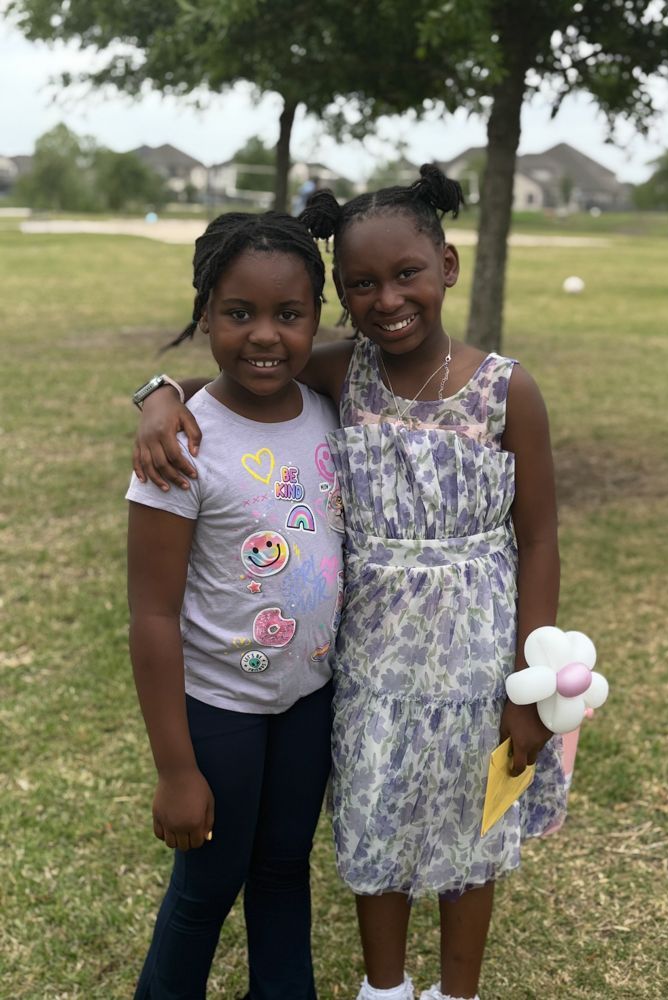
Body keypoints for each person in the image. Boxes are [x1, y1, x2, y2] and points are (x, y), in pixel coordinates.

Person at [132, 166, 568, 1000]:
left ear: (447, 265)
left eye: (406, 274)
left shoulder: (507, 389)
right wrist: (155, 395)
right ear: (341, 294)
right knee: (375, 820)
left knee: (470, 833)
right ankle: (384, 989)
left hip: (478, 668)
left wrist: (533, 683)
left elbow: (541, 538)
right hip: (368, 670)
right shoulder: (344, 374)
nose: (387, 299)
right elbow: (230, 381)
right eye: (361, 284)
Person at [126, 210, 344, 999]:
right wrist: (176, 769)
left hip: (309, 700)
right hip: (218, 709)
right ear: (205, 314)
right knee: (207, 887)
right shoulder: (182, 446)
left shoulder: (327, 405)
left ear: (316, 319)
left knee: (284, 869)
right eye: (238, 313)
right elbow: (152, 616)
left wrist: (156, 389)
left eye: (289, 315)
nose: (264, 336)